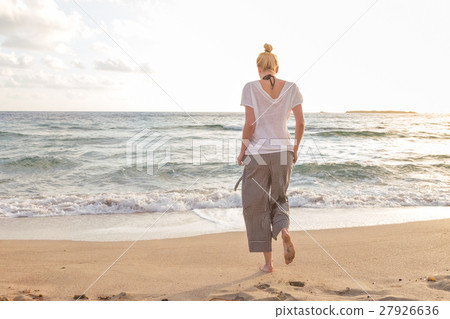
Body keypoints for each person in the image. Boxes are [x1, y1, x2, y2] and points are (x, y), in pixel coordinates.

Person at [237, 43, 305, 273]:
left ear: (258, 67)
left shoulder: (250, 88)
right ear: (277, 67)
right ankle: (284, 231)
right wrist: (294, 148)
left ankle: (268, 264)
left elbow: (250, 124)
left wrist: (243, 150)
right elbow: (301, 123)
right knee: (279, 198)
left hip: (258, 154)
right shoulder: (292, 88)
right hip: (283, 151)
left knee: (257, 206)